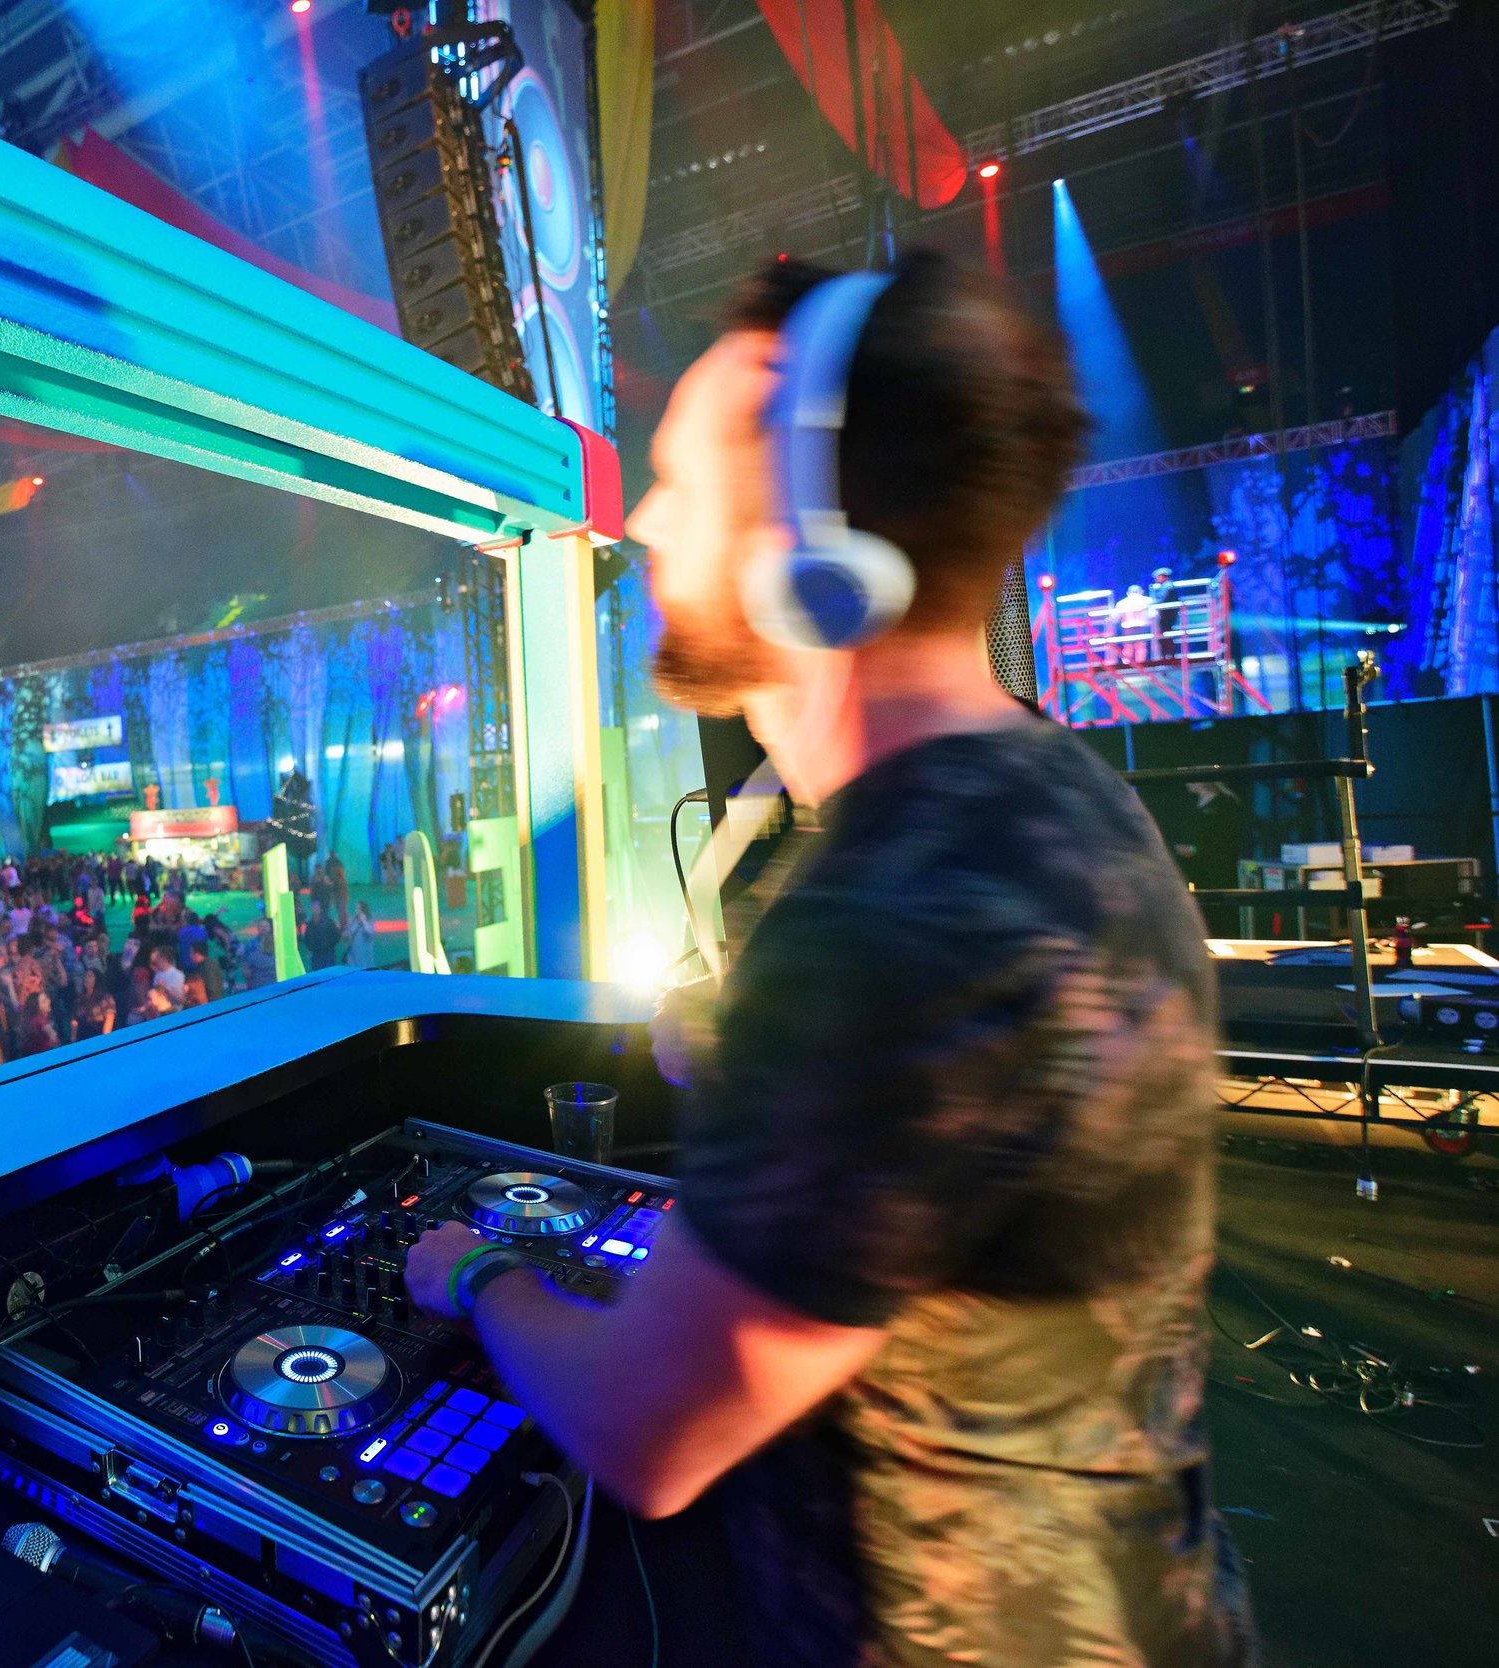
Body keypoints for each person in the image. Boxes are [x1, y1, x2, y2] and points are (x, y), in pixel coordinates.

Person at [403, 251, 1250, 1667]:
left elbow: (646, 1431)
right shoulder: (1046, 798)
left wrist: (476, 1272)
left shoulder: (887, 920)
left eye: (684, 482)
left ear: (813, 545)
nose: (646, 524)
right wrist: (763, 1066)